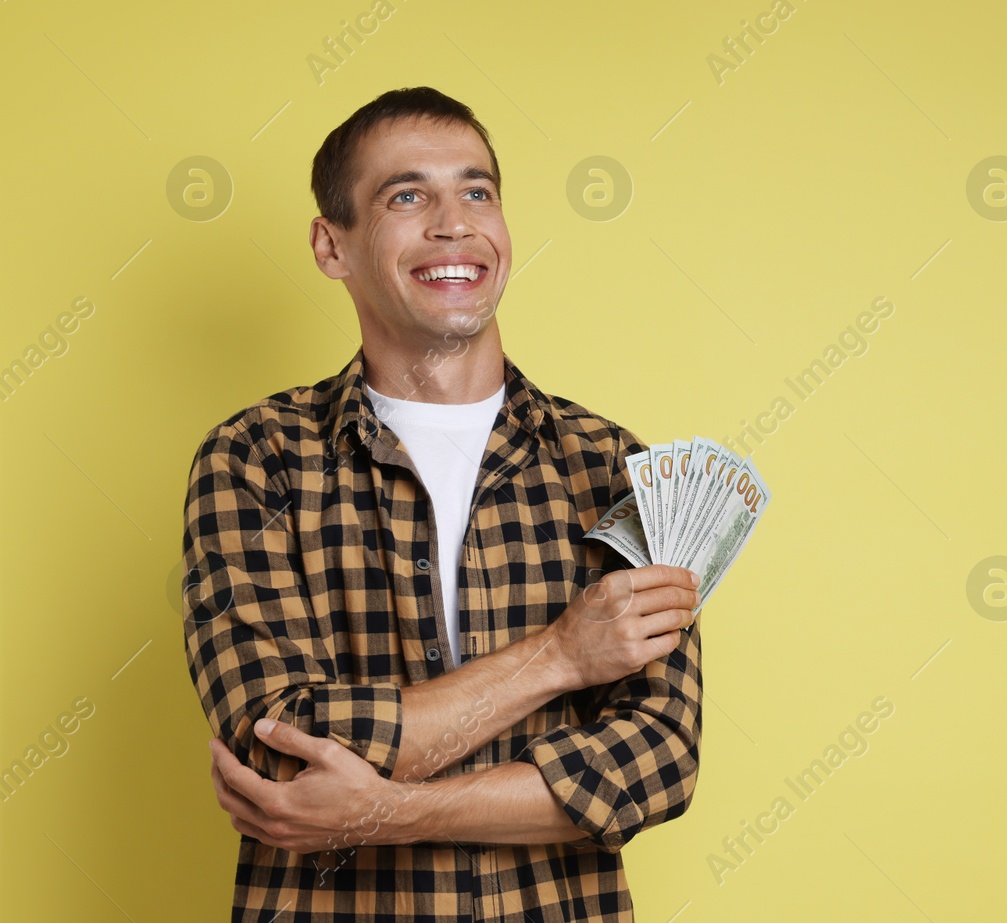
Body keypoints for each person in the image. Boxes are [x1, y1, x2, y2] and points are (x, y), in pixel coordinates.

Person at [180, 86, 702, 922]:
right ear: (331, 245)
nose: (454, 223)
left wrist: (384, 810)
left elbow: (654, 759)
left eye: (477, 190)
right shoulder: (255, 460)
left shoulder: (611, 464)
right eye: (408, 195)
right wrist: (563, 657)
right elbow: (286, 753)